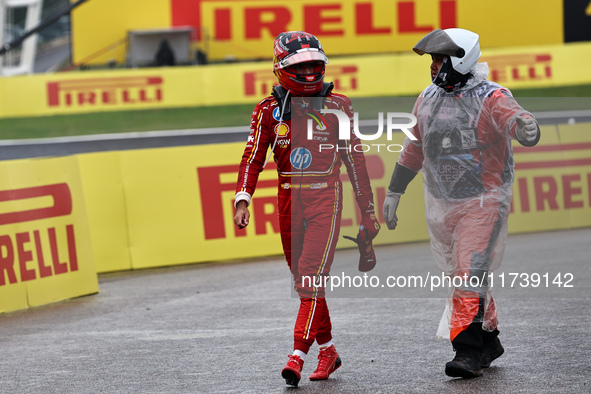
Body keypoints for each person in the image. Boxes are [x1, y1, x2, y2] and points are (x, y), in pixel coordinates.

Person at [382, 28, 540, 378]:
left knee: (470, 271)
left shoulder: (491, 96)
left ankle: (466, 351)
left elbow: (514, 118)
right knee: (465, 273)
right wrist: (395, 191)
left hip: (484, 201)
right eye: (433, 60)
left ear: (462, 59)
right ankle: (489, 340)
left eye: (441, 59)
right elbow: (414, 147)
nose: (434, 66)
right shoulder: (427, 98)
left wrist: (525, 127)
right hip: (443, 203)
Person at [233, 31, 380, 387]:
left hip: (325, 199)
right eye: (301, 65)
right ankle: (328, 350)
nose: (310, 71)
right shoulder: (267, 111)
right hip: (287, 201)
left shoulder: (339, 106)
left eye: (315, 64)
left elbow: (355, 161)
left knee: (311, 277)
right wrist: (242, 198)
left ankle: (296, 355)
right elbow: (252, 159)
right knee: (305, 282)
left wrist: (368, 210)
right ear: (281, 68)